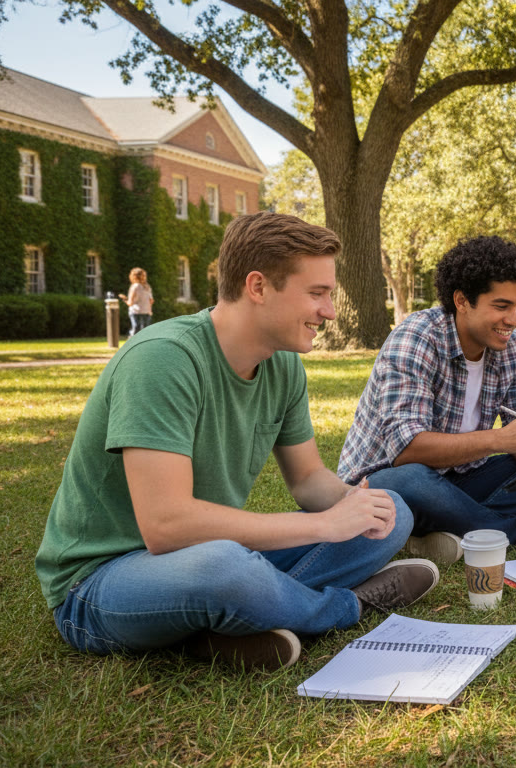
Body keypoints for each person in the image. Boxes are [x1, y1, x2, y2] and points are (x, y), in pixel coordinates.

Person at [35, 212, 438, 672]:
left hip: (212, 550)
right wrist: (323, 527)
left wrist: (355, 505)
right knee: (223, 568)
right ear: (258, 286)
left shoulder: (283, 366)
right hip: (101, 580)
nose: (328, 311)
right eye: (317, 293)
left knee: (392, 509)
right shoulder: (163, 360)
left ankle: (228, 624)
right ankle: (346, 608)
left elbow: (308, 480)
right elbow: (165, 526)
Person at [338, 236, 516, 563]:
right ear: (462, 300)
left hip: (457, 481)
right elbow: (406, 451)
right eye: (501, 306)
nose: (514, 320)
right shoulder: (418, 336)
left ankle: (434, 535)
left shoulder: (513, 348)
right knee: (414, 478)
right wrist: (499, 439)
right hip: (383, 484)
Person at [118, 267, 154, 335]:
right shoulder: (147, 287)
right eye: (143, 275)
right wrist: (149, 310)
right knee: (145, 331)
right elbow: (151, 300)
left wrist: (124, 299)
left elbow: (130, 303)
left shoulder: (135, 286)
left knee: (136, 330)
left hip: (136, 312)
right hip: (146, 312)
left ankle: (132, 343)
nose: (144, 277)